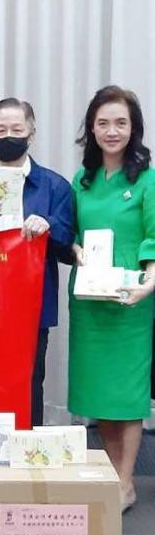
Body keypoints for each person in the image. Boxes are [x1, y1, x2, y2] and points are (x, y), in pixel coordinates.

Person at [0, 98, 74, 426]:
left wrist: (49, 226)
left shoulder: (55, 185)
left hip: (32, 302)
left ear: (31, 133)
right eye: (1, 130)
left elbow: (67, 246)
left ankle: (29, 449)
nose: (9, 136)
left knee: (30, 381)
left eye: (17, 129)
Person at [69, 85, 155, 512]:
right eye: (102, 123)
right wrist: (75, 249)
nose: (111, 131)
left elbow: (153, 237)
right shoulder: (82, 181)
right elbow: (71, 232)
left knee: (128, 392)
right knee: (99, 391)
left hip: (130, 299)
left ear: (133, 128)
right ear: (91, 129)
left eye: (121, 123)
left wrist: (150, 282)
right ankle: (111, 473)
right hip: (90, 300)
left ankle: (124, 482)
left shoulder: (147, 180)